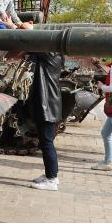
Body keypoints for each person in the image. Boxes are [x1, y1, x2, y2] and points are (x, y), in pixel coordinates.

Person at [29, 51, 64, 191]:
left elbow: (30, 33)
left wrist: (13, 27)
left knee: (47, 144)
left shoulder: (50, 53)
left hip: (47, 106)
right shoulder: (54, 54)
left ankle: (52, 180)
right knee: (46, 143)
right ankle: (50, 175)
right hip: (49, 105)